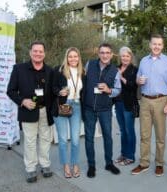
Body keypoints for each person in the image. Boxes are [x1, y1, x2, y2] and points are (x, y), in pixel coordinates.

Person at [7, 41, 54, 183]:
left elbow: (53, 91)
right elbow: (10, 91)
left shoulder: (50, 71)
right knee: (30, 141)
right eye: (35, 51)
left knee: (46, 139)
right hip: (28, 111)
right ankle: (31, 168)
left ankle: (45, 165)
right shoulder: (19, 69)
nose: (38, 54)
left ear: (44, 54)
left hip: (46, 111)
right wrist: (23, 101)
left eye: (40, 51)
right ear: (30, 52)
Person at [131, 34, 167, 177]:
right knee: (144, 135)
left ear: (162, 46)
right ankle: (144, 163)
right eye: (154, 44)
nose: (156, 46)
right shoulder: (143, 60)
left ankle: (159, 163)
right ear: (150, 45)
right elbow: (138, 79)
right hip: (144, 101)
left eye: (159, 44)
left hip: (160, 101)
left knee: (160, 136)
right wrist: (139, 81)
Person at [82, 43, 121, 178]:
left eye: (107, 53)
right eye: (102, 52)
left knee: (108, 137)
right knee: (89, 138)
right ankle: (91, 166)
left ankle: (109, 163)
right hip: (89, 108)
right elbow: (82, 81)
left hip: (105, 109)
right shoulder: (89, 64)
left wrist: (109, 90)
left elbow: (118, 90)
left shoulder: (115, 70)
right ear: (98, 54)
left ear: (111, 54)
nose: (105, 55)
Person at [52, 47, 84, 178]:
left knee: (76, 140)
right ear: (66, 57)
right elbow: (52, 87)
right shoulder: (59, 70)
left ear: (79, 58)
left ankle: (75, 164)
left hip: (76, 106)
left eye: (75, 56)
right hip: (63, 106)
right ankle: (66, 165)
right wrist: (59, 92)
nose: (73, 59)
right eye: (70, 56)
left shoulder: (83, 72)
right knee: (63, 139)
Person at [114, 46, 138, 166]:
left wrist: (121, 78)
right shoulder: (116, 68)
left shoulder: (134, 69)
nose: (125, 58)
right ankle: (123, 154)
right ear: (120, 57)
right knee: (123, 131)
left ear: (130, 57)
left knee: (129, 130)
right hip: (118, 103)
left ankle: (130, 156)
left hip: (128, 104)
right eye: (123, 56)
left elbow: (133, 87)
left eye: (127, 56)